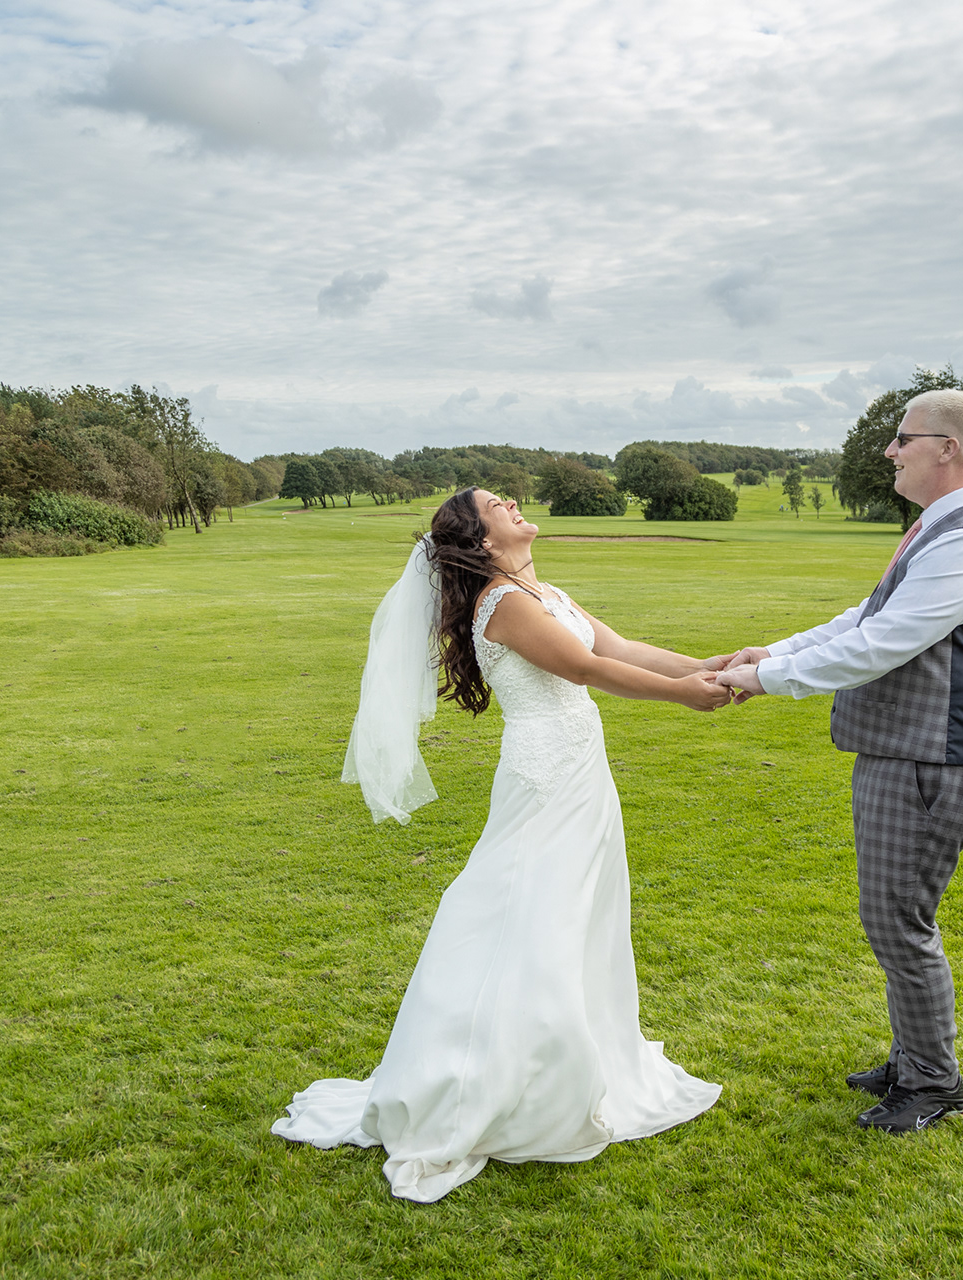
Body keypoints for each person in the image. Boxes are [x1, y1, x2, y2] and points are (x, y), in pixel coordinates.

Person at [272, 488, 730, 1202]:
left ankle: (562, 1056)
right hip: (544, 774)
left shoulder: (544, 591)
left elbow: (619, 648)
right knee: (529, 906)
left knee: (575, 912)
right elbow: (582, 670)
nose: (515, 502)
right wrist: (686, 696)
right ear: (481, 541)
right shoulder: (503, 603)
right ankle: (492, 1076)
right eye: (497, 503)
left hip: (580, 772)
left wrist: (713, 664)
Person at [715, 389, 963, 1134]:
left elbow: (880, 647)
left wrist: (760, 680)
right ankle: (914, 1056)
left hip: (934, 760)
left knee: (898, 922)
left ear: (947, 448)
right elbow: (868, 617)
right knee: (891, 918)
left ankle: (933, 1084)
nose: (890, 450)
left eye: (902, 438)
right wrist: (778, 650)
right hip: (911, 752)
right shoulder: (942, 529)